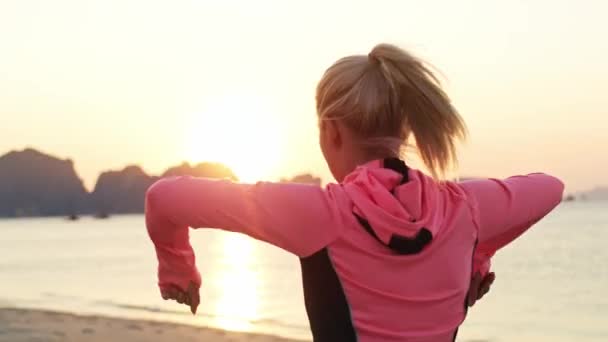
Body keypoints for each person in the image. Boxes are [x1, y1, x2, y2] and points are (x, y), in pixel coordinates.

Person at [145, 43, 564, 342]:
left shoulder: (320, 214)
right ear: (404, 129)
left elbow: (164, 199)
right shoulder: (463, 209)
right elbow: (550, 188)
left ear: (330, 130)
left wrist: (178, 267)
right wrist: (477, 251)